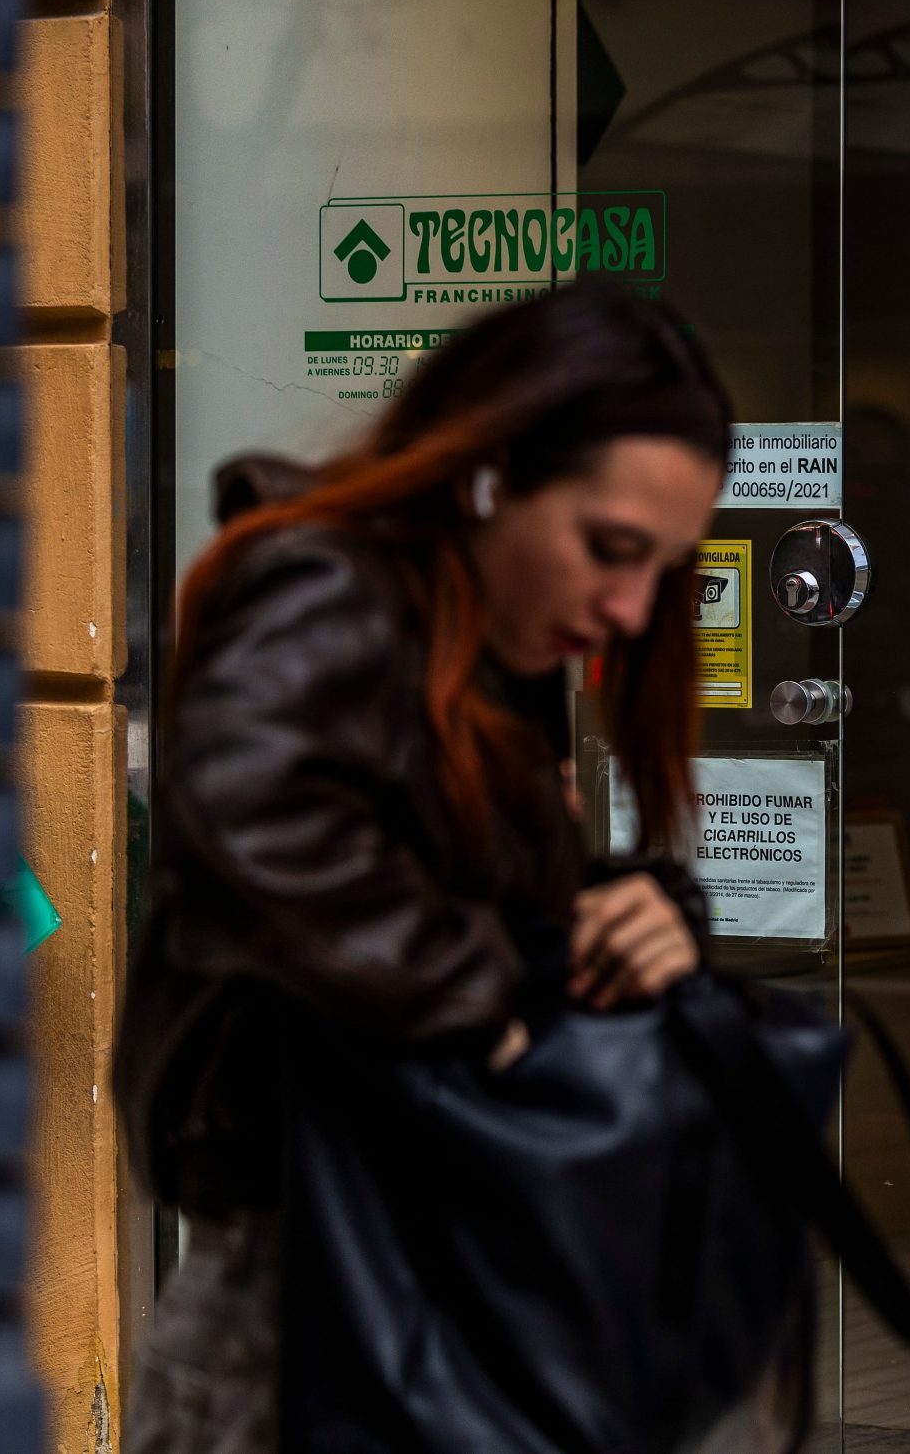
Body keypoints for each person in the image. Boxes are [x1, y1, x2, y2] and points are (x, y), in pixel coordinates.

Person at [115, 284, 736, 1452]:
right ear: (492, 473)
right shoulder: (323, 583)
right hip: (318, 1287)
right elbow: (255, 822)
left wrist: (645, 909)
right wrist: (488, 1001)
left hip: (447, 1260)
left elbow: (470, 882)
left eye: (663, 568)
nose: (627, 606)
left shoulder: (482, 639)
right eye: (610, 549)